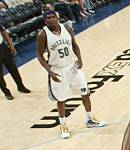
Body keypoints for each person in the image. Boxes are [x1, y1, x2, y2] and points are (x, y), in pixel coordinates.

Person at [36, 10, 104, 139]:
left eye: (53, 17)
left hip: (72, 66)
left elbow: (75, 46)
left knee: (85, 92)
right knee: (61, 99)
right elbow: (39, 55)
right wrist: (49, 72)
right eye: (47, 18)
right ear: (45, 21)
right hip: (57, 69)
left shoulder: (67, 28)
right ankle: (63, 124)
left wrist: (80, 59)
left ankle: (90, 119)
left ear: (57, 18)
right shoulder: (42, 35)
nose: (50, 19)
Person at [0, 22, 30, 100]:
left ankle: (21, 86)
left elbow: (3, 32)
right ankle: (7, 93)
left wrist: (11, 45)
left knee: (13, 68)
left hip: (2, 47)